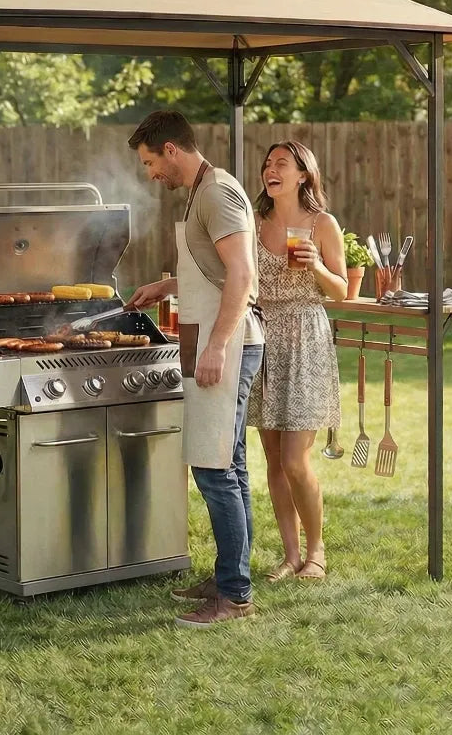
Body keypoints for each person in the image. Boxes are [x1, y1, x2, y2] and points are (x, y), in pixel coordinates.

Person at [127, 110, 264, 628]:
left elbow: (242, 274)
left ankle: (234, 596)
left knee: (212, 467)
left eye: (150, 163)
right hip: (209, 341)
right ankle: (231, 576)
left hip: (223, 344)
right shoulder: (200, 190)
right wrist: (167, 286)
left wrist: (218, 346)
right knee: (230, 465)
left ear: (171, 150)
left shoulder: (217, 193)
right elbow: (214, 270)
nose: (150, 174)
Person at [248, 141, 347, 582]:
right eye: (268, 164)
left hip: (306, 340)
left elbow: (341, 290)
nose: (271, 170)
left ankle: (316, 549)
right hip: (262, 337)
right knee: (272, 458)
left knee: (294, 460)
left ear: (303, 174)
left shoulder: (322, 224)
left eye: (282, 164)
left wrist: (316, 268)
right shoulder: (253, 223)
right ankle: (290, 555)